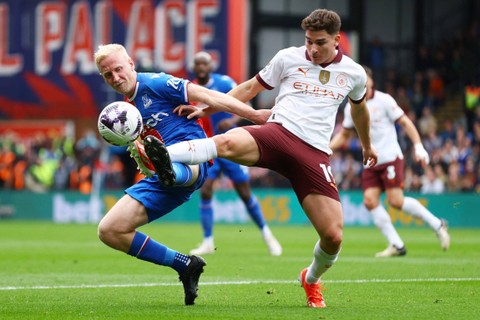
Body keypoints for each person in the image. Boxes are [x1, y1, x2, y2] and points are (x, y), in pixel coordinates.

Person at [141, 9, 378, 308]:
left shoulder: (354, 73)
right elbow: (250, 88)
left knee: (333, 236)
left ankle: (311, 279)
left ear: (337, 39)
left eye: (319, 42)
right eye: (308, 41)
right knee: (226, 142)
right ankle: (157, 155)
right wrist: (208, 110)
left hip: (313, 152)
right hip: (277, 133)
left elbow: (359, 110)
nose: (312, 49)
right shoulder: (288, 57)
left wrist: (367, 145)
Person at [94, 43, 265, 305]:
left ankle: (168, 167)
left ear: (130, 63)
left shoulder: (156, 83)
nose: (116, 78)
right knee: (109, 231)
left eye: (118, 69)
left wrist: (253, 115)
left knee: (178, 165)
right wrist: (144, 159)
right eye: (108, 75)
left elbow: (209, 95)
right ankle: (185, 265)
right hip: (161, 178)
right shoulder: (127, 110)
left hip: (194, 159)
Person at [330, 65, 450, 257]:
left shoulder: (384, 100)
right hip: (370, 161)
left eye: (365, 80)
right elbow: (344, 135)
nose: (363, 84)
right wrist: (328, 148)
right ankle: (397, 244)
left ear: (371, 82)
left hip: (389, 158)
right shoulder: (351, 107)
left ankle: (437, 224)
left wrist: (418, 145)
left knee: (396, 201)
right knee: (370, 201)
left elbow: (405, 122)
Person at [188, 51, 282, 256]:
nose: (201, 67)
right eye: (198, 64)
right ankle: (207, 241)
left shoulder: (223, 83)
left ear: (211, 66)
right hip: (208, 149)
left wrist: (231, 121)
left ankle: (267, 235)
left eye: (204, 64)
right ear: (194, 68)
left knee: (244, 193)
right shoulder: (190, 88)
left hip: (231, 146)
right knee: (205, 191)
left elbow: (244, 104)